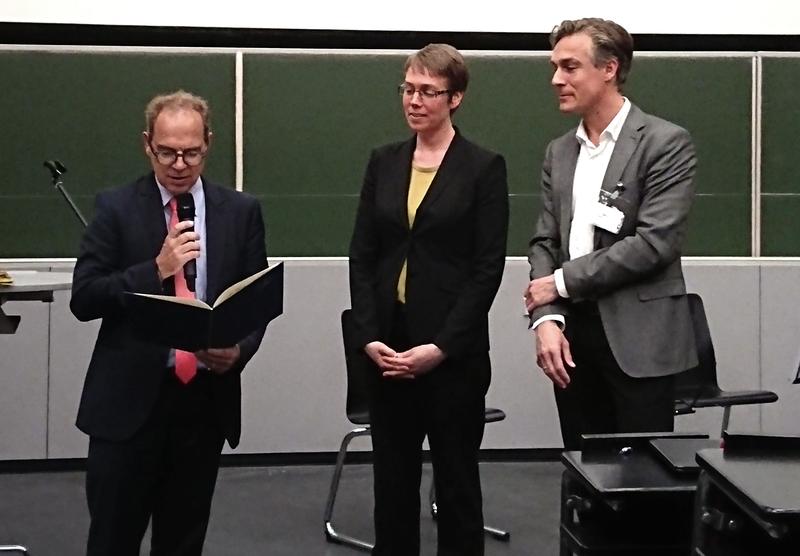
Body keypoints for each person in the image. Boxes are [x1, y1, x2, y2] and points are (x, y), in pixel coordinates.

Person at [71, 90, 268, 555]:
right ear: (147, 145)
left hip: (203, 404)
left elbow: (257, 301)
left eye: (191, 152)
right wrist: (153, 270)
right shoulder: (115, 208)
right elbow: (84, 297)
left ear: (209, 144)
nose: (179, 164)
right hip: (129, 405)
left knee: (183, 541)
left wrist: (239, 349)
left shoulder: (240, 213)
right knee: (113, 539)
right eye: (167, 152)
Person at [348, 43, 509, 556]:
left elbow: (487, 270)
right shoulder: (384, 161)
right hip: (388, 350)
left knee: (457, 485)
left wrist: (440, 348)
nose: (414, 101)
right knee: (392, 487)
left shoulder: (483, 167)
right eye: (408, 89)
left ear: (455, 97)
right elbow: (363, 255)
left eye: (428, 92)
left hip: (451, 357)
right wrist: (370, 336)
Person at [525, 18, 698, 451]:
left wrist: (560, 283)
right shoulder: (560, 151)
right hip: (571, 339)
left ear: (609, 69)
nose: (556, 79)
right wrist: (546, 318)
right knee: (585, 476)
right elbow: (545, 241)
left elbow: (654, 243)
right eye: (554, 67)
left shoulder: (665, 142)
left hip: (638, 341)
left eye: (569, 67)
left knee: (644, 486)